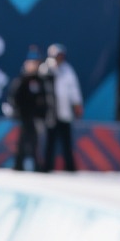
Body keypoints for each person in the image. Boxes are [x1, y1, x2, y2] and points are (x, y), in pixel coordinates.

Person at [2, 45, 50, 171]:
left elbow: (43, 99)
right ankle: (19, 165)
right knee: (23, 141)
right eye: (32, 63)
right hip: (24, 116)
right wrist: (17, 111)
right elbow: (14, 97)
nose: (34, 66)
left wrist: (42, 113)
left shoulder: (40, 80)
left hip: (35, 117)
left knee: (35, 142)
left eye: (36, 63)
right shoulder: (22, 80)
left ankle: (36, 166)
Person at [38, 43, 83, 171]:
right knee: (49, 142)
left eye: (61, 56)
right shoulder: (45, 69)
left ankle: (70, 168)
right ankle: (47, 167)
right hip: (50, 114)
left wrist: (77, 104)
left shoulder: (68, 70)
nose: (60, 58)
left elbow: (74, 89)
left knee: (66, 143)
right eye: (58, 56)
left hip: (65, 114)